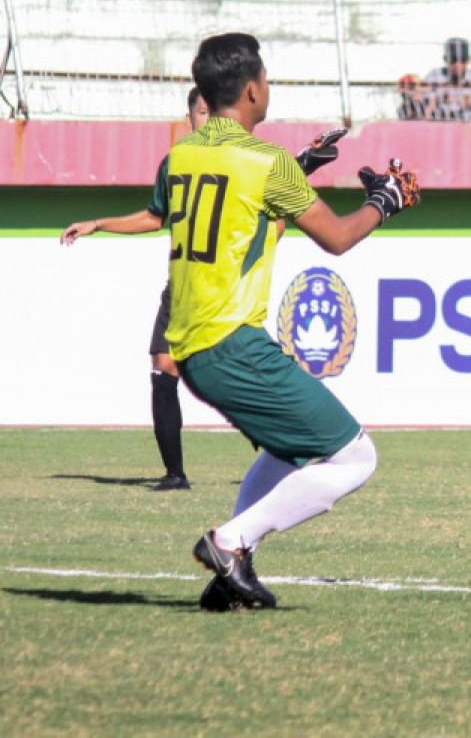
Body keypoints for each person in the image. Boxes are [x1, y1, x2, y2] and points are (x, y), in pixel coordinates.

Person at [165, 32, 419, 610]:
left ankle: (234, 567)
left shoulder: (181, 156)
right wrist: (386, 201)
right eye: (267, 79)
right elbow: (337, 237)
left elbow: (231, 214)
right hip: (232, 343)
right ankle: (230, 543)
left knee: (287, 447)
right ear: (253, 90)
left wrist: (302, 168)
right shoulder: (265, 160)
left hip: (194, 348)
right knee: (355, 456)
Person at [60, 89, 347, 493]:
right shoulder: (180, 159)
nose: (204, 118)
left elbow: (262, 213)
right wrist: (98, 223)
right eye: (198, 111)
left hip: (223, 293)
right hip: (181, 290)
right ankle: (175, 473)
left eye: (209, 110)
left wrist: (300, 167)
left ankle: (283, 455)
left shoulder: (244, 158)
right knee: (163, 368)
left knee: (228, 377)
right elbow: (155, 215)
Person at [423, 37, 471, 122]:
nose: (458, 65)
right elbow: (423, 114)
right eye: (453, 60)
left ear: (469, 60)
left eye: (462, 60)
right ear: (445, 59)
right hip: (441, 128)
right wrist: (440, 99)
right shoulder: (434, 76)